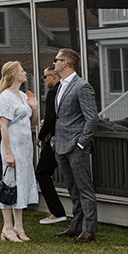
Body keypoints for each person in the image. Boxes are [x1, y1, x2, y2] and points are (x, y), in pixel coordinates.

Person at [51, 48, 99, 243]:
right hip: (61, 144)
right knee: (72, 188)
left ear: (65, 63)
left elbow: (92, 118)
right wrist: (54, 141)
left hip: (76, 146)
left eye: (56, 60)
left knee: (84, 188)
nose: (53, 63)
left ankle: (89, 228)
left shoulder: (82, 86)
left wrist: (81, 142)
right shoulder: (60, 85)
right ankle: (76, 225)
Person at [0, 61, 39, 243]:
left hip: (26, 149)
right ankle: (7, 227)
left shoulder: (21, 95)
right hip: (12, 147)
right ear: (13, 74)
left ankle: (19, 226)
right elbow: (3, 127)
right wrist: (8, 152)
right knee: (10, 185)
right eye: (21, 71)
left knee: (22, 184)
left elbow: (32, 123)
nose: (25, 73)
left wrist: (33, 107)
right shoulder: (5, 97)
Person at [36, 66, 68, 225]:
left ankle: (57, 212)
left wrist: (40, 136)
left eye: (45, 77)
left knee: (41, 172)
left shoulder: (53, 93)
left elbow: (50, 118)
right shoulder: (66, 90)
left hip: (55, 139)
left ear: (54, 77)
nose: (44, 81)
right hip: (69, 139)